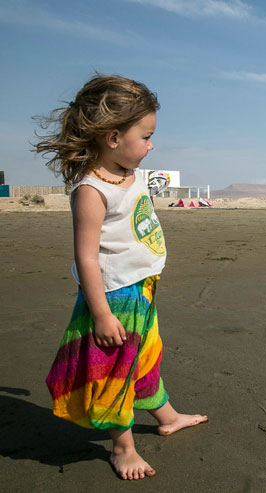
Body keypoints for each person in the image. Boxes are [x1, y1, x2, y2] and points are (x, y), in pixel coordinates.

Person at [33, 74, 207, 480]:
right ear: (112, 137)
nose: (151, 145)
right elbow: (87, 259)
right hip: (114, 297)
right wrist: (100, 314)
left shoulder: (131, 175)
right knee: (115, 371)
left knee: (145, 357)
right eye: (145, 136)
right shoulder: (92, 191)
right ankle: (122, 447)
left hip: (143, 290)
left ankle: (168, 415)